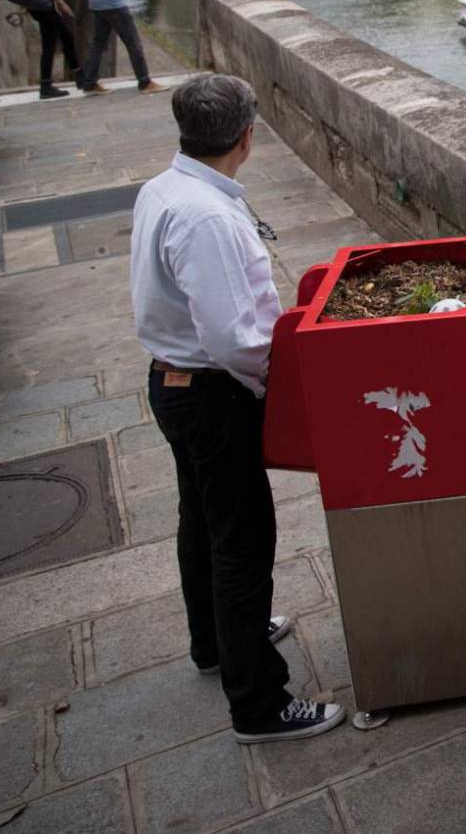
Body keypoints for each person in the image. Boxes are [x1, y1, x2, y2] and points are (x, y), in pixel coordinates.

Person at [130, 74, 343, 743]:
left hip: (173, 381)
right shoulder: (208, 216)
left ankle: (214, 642)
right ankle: (258, 702)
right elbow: (234, 338)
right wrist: (278, 386)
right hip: (214, 392)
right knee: (243, 543)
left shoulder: (164, 188)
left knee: (202, 522)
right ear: (247, 136)